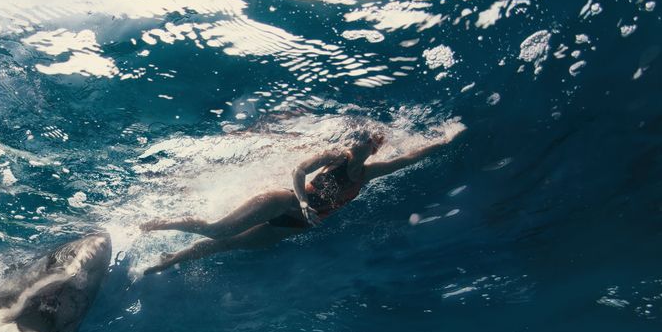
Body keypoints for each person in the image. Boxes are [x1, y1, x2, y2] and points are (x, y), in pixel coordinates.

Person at [139, 123, 464, 274]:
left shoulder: (369, 173)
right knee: (218, 230)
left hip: (294, 227)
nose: (364, 152)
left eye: (371, 149)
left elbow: (410, 159)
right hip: (285, 203)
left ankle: (172, 259)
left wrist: (446, 139)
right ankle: (160, 223)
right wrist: (305, 203)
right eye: (363, 145)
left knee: (228, 244)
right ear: (357, 142)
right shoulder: (336, 155)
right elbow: (298, 170)